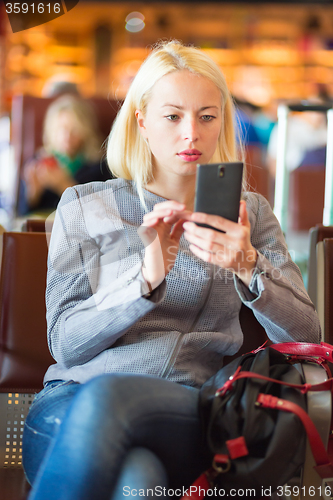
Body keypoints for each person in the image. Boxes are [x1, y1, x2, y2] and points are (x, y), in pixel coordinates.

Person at [22, 41, 321, 500]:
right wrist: (142, 280)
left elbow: (305, 331)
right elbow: (65, 342)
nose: (191, 134)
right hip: (72, 403)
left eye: (207, 116)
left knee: (116, 413)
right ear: (142, 120)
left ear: (222, 120)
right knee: (138, 481)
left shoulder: (249, 215)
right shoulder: (85, 205)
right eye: (173, 116)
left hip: (186, 406)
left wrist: (247, 265)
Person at [18, 94, 111, 215]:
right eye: (61, 129)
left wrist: (63, 184)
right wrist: (33, 192)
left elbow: (99, 214)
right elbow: (22, 214)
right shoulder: (38, 162)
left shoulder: (99, 166)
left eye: (75, 130)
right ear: (51, 130)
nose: (67, 136)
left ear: (86, 132)